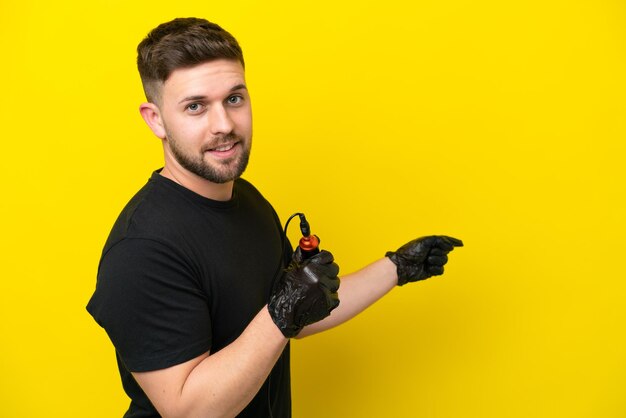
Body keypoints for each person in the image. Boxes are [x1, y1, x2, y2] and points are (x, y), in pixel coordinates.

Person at [86, 17, 463, 418]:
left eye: (234, 99)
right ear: (155, 119)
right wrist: (280, 313)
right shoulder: (143, 250)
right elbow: (190, 411)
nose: (224, 125)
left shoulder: (246, 200)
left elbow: (293, 316)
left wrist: (397, 267)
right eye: (195, 107)